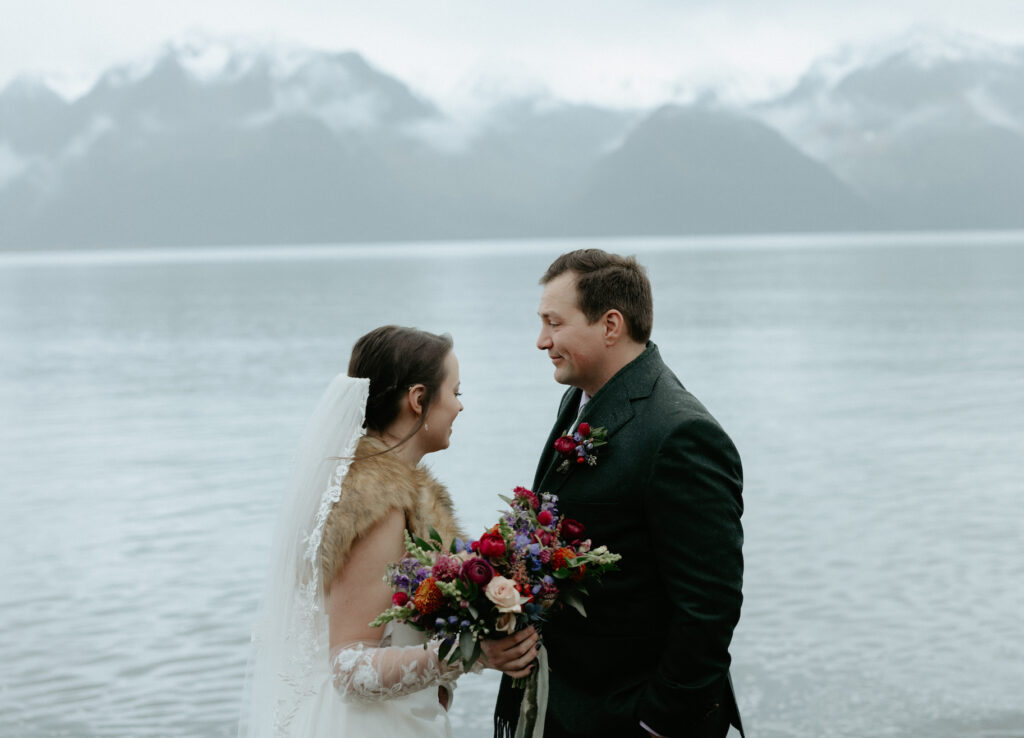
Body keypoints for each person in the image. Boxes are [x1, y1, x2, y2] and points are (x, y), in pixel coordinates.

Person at [487, 250, 745, 738]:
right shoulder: (579, 399)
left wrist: (656, 724)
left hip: (628, 714)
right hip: (568, 702)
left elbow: (709, 606)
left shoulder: (680, 434)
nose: (542, 341)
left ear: (610, 325)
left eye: (553, 323)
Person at [239, 325, 538, 738]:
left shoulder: (381, 490)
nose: (459, 407)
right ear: (418, 399)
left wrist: (441, 690)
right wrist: (469, 655)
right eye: (456, 392)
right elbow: (347, 665)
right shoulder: (377, 503)